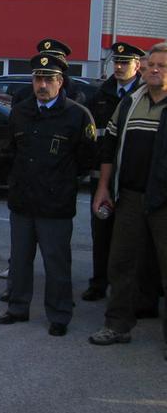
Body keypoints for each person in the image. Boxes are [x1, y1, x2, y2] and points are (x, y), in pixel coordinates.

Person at [0, 52, 96, 336]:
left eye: (49, 79)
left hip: (55, 203)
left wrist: (61, 182)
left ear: (60, 81)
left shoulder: (76, 115)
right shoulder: (21, 111)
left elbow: (86, 159)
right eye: (38, 79)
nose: (42, 85)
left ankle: (59, 315)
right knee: (20, 259)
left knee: (56, 263)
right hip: (23, 200)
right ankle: (17, 307)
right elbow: (11, 152)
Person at [88, 42, 167, 359]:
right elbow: (109, 147)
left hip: (165, 202)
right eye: (151, 65)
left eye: (162, 65)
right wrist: (103, 188)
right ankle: (117, 325)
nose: (154, 69)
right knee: (121, 263)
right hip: (131, 196)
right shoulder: (130, 103)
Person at [81, 42, 144, 303]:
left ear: (137, 65)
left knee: (133, 237)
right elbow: (93, 136)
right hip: (103, 177)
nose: (118, 67)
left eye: (124, 62)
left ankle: (136, 289)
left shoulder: (144, 94)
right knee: (102, 232)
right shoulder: (101, 95)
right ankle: (99, 282)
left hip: (132, 178)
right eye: (116, 62)